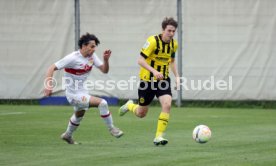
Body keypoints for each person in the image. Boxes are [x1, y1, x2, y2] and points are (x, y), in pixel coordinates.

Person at [44, 33, 123, 144]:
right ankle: (112, 129)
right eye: (92, 46)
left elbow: (104, 70)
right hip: (73, 95)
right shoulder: (72, 58)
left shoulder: (92, 57)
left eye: (95, 46)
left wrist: (106, 60)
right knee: (103, 103)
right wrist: (48, 86)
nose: (94, 49)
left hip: (83, 92)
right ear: (84, 46)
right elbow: (51, 68)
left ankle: (67, 135)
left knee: (79, 115)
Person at [119, 17, 180, 146]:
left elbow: (172, 62)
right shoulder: (152, 41)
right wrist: (154, 71)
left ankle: (159, 136)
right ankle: (130, 105)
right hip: (147, 81)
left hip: (163, 80)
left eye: (174, 31)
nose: (172, 33)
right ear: (163, 30)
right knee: (141, 113)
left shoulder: (174, 44)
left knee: (167, 104)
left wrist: (177, 77)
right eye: (169, 30)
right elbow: (140, 60)